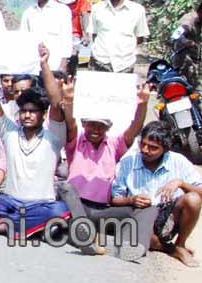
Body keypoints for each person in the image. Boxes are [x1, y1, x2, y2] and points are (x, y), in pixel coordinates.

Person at [0, 47, 70, 238]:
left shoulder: (53, 137)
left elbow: (56, 102)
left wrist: (44, 64)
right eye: (24, 111)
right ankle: (21, 228)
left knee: (60, 211)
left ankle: (4, 227)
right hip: (10, 203)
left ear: (43, 114)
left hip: (41, 205)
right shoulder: (10, 133)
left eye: (33, 111)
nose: (27, 115)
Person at [56, 77, 151, 259]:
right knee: (65, 189)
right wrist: (68, 100)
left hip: (101, 209)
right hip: (75, 203)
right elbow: (69, 123)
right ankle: (84, 237)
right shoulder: (75, 142)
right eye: (92, 125)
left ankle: (126, 246)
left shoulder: (114, 145)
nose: (96, 130)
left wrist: (142, 104)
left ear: (108, 128)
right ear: (84, 124)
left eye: (101, 126)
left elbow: (134, 128)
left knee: (134, 211)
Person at [111, 122, 202, 267]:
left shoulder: (178, 161)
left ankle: (180, 245)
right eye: (143, 144)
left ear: (165, 149)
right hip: (141, 214)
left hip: (169, 215)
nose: (145, 150)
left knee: (193, 198)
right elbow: (115, 199)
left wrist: (181, 183)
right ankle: (172, 249)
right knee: (141, 240)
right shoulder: (128, 162)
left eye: (153, 148)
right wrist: (131, 200)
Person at [87, 0, 150, 73]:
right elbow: (94, 34)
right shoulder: (97, 9)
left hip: (125, 64)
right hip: (101, 62)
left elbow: (139, 37)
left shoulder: (137, 10)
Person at [20, 0, 72, 72]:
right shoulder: (28, 13)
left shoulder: (62, 11)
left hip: (54, 66)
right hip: (33, 67)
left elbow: (66, 41)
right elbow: (24, 40)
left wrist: (63, 66)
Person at [170, 0, 202, 88]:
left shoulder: (198, 22)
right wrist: (185, 41)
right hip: (184, 63)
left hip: (191, 63)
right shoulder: (189, 21)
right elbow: (176, 34)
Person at [53, 0, 92, 74]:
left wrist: (86, 34)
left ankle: (71, 78)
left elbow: (84, 14)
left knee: (72, 58)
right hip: (57, 33)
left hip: (74, 33)